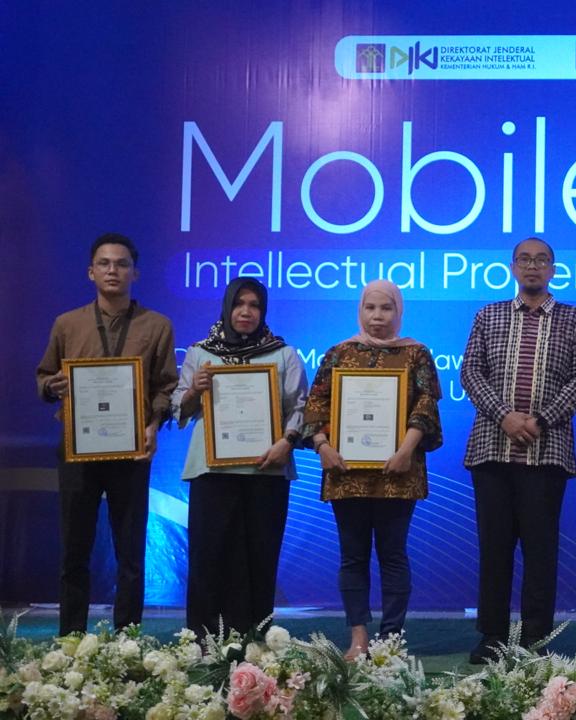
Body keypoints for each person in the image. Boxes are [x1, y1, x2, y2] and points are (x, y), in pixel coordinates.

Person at [35, 232, 178, 636]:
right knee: (74, 550)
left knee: (130, 552)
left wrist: (153, 424)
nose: (113, 270)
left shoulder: (157, 325)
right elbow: (44, 377)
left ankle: (126, 639)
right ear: (91, 272)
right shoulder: (67, 324)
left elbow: (166, 385)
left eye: (121, 264)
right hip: (77, 448)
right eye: (104, 263)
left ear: (135, 273)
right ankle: (71, 639)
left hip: (132, 450)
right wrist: (52, 386)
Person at [460, 237, 576, 664]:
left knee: (541, 552)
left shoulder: (573, 318)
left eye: (541, 260)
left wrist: (539, 420)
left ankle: (535, 638)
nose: (532, 266)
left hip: (546, 451)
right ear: (513, 267)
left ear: (553, 269)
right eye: (524, 259)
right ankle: (492, 636)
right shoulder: (489, 314)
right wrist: (505, 416)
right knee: (494, 549)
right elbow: (470, 372)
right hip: (492, 449)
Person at [301, 279, 443, 659]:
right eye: (370, 308)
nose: (377, 316)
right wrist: (322, 446)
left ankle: (389, 641)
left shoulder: (416, 354)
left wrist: (406, 450)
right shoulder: (338, 353)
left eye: (386, 308)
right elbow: (315, 406)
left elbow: (426, 406)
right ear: (360, 310)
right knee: (353, 556)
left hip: (399, 471)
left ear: (398, 311)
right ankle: (359, 638)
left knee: (393, 555)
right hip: (346, 471)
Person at [173, 277, 308, 640]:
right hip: (212, 470)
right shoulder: (200, 353)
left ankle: (253, 641)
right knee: (209, 556)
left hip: (266, 469)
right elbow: (179, 409)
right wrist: (193, 391)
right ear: (227, 307)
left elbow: (300, 407)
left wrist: (286, 443)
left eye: (254, 305)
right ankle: (202, 640)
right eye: (239, 304)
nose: (246, 312)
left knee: (260, 557)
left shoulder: (283, 354)